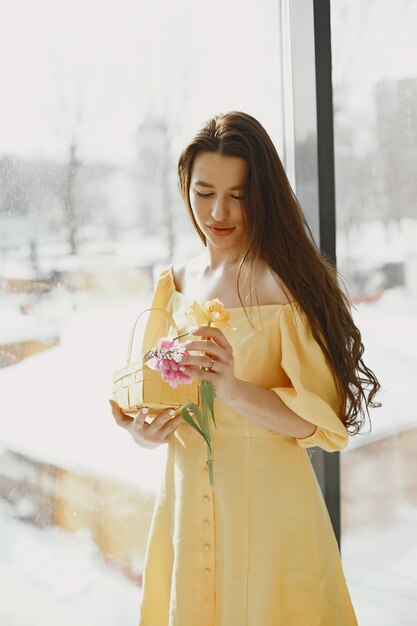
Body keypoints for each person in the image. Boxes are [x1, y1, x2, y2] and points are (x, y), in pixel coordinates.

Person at [109, 111, 381, 625]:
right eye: (204, 192)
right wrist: (144, 431)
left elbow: (318, 422)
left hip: (270, 514)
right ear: (185, 188)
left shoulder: (283, 284)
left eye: (239, 194)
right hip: (187, 504)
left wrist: (233, 387)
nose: (219, 212)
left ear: (265, 196)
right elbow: (160, 396)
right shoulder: (173, 283)